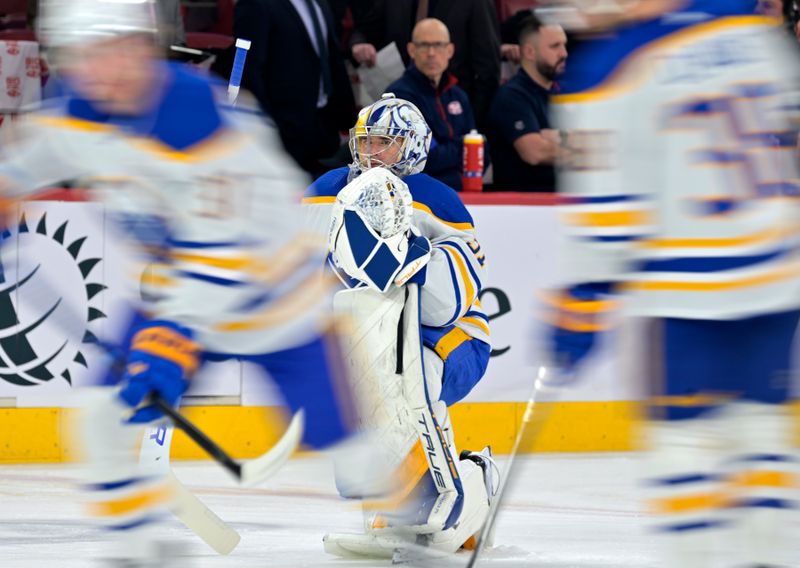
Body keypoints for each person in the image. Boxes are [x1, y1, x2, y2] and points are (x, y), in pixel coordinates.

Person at [1, 1, 376, 565]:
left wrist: (164, 347)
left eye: (119, 49)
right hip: (181, 287)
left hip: (273, 291)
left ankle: (423, 506)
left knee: (349, 452)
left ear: (141, 45)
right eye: (87, 57)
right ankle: (136, 546)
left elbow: (226, 249)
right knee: (102, 417)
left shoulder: (193, 112)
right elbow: (23, 165)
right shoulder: (76, 109)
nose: (105, 70)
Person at [542, 1, 800, 566]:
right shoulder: (750, 32)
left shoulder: (609, 65)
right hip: (777, 279)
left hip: (691, 293)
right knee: (762, 434)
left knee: (682, 442)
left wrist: (578, 312)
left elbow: (609, 220)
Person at [303, 94, 496, 557]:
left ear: (410, 146)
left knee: (415, 370)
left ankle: (459, 491)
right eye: (364, 141)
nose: (369, 152)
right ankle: (398, 503)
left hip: (453, 338)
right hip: (375, 335)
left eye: (383, 143)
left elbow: (448, 304)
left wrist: (408, 259)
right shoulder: (329, 190)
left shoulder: (437, 200)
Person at [234, 0, 356, 177]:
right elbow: (246, 71)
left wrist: (347, 120)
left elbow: (332, 58)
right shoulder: (256, 5)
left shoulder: (320, 4)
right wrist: (268, 129)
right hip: (283, 132)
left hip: (323, 128)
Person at [349, 0, 501, 132]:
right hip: (398, 100)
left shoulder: (475, 3)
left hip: (450, 107)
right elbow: (364, 30)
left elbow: (488, 68)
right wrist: (358, 44)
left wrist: (473, 124)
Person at [386, 18, 481, 191]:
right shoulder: (400, 97)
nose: (431, 53)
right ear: (411, 50)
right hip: (420, 195)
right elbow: (425, 159)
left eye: (438, 45)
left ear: (450, 50)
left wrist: (464, 149)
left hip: (465, 190)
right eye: (423, 45)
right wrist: (463, 148)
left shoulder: (458, 95)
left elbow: (481, 151)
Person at [486, 15, 567, 191]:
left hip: (564, 199)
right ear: (530, 52)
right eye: (555, 46)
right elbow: (534, 153)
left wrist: (557, 137)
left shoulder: (564, 91)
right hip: (524, 205)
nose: (564, 53)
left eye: (564, 45)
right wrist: (581, 148)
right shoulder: (512, 96)